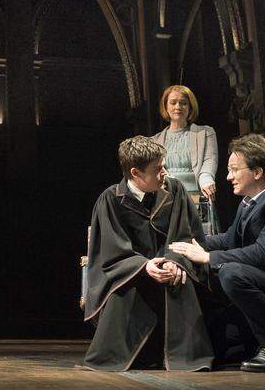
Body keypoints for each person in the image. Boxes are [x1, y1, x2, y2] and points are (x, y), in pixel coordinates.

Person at [170, 133, 265, 373]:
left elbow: (262, 253)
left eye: (234, 169)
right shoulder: (249, 201)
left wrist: (208, 257)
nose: (228, 176)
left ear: (257, 172)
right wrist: (191, 243)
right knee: (215, 346)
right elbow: (230, 239)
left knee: (231, 273)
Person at [83, 136, 212, 371]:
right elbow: (111, 251)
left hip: (171, 269)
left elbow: (185, 235)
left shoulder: (175, 190)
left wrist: (175, 262)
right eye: (158, 169)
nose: (165, 172)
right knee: (126, 290)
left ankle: (184, 357)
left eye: (164, 165)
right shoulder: (111, 200)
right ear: (135, 173)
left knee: (180, 281)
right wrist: (145, 266)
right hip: (131, 273)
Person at [149, 85, 222, 233]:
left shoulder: (205, 132)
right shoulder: (154, 141)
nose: (178, 107)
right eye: (173, 102)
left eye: (183, 103)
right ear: (166, 107)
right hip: (168, 200)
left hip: (197, 198)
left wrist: (207, 179)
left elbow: (210, 160)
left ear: (190, 107)